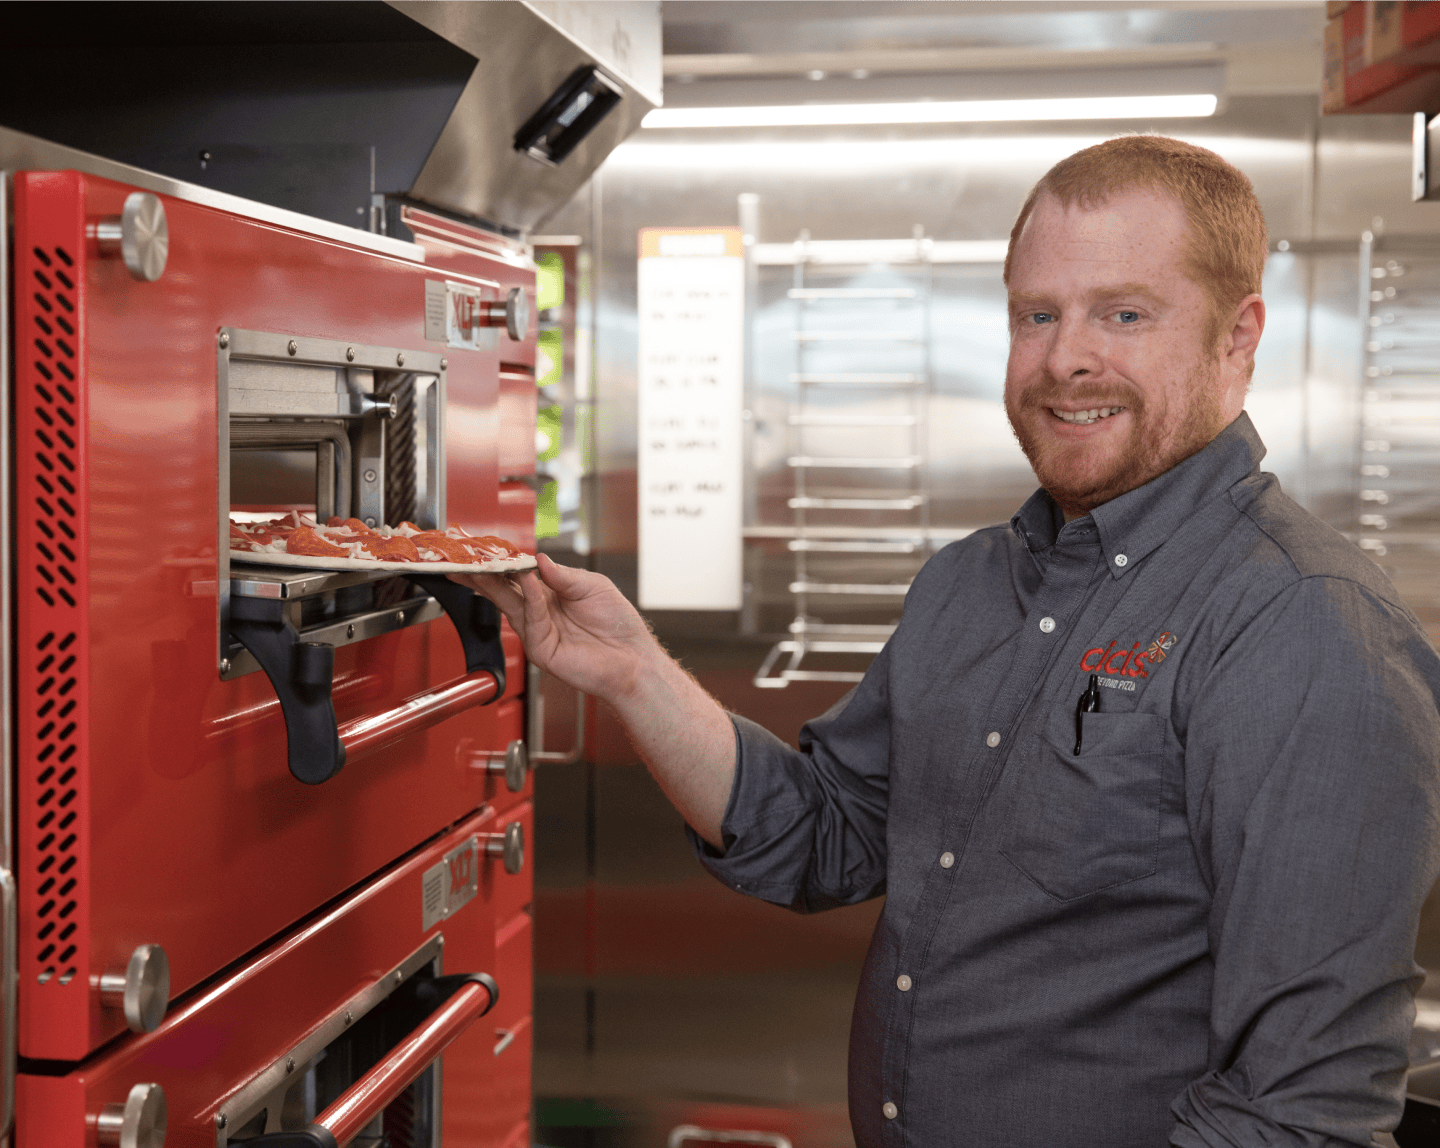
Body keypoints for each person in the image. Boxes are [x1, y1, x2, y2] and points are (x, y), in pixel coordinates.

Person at [458, 136, 1440, 1147]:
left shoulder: (1305, 626)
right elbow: (826, 834)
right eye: (1037, 314)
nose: (1067, 358)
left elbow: (1302, 1109)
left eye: (1127, 313)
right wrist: (633, 672)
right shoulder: (969, 584)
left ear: (1240, 338)